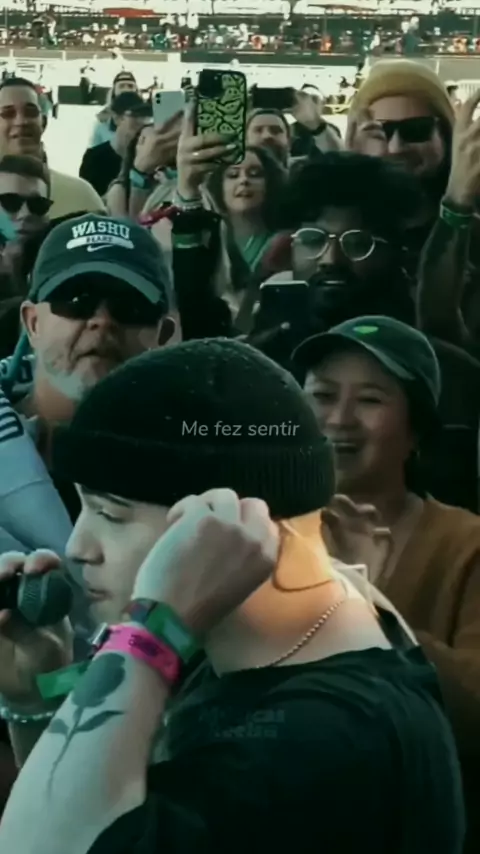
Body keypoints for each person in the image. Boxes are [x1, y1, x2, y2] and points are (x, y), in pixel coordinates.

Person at [0, 339, 465, 854]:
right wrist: (38, 693)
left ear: (229, 527)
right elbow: (80, 801)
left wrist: (155, 623)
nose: (76, 547)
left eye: (111, 514)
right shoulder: (245, 645)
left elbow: (44, 845)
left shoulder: (319, 741)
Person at [294, 315, 480, 854]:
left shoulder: (465, 545)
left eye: (370, 400)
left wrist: (368, 604)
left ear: (416, 431)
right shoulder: (256, 534)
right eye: (321, 395)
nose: (339, 419)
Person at [0, 77, 104, 218]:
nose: (21, 121)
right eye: (8, 114)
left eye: (30, 113)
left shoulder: (81, 197)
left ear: (43, 123)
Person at [79, 92, 152, 198]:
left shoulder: (147, 158)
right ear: (117, 118)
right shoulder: (94, 158)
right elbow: (86, 198)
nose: (139, 130)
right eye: (134, 122)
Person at [88, 70, 138, 149]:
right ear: (114, 91)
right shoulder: (103, 122)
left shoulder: (148, 118)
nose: (126, 89)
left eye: (130, 86)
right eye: (121, 86)